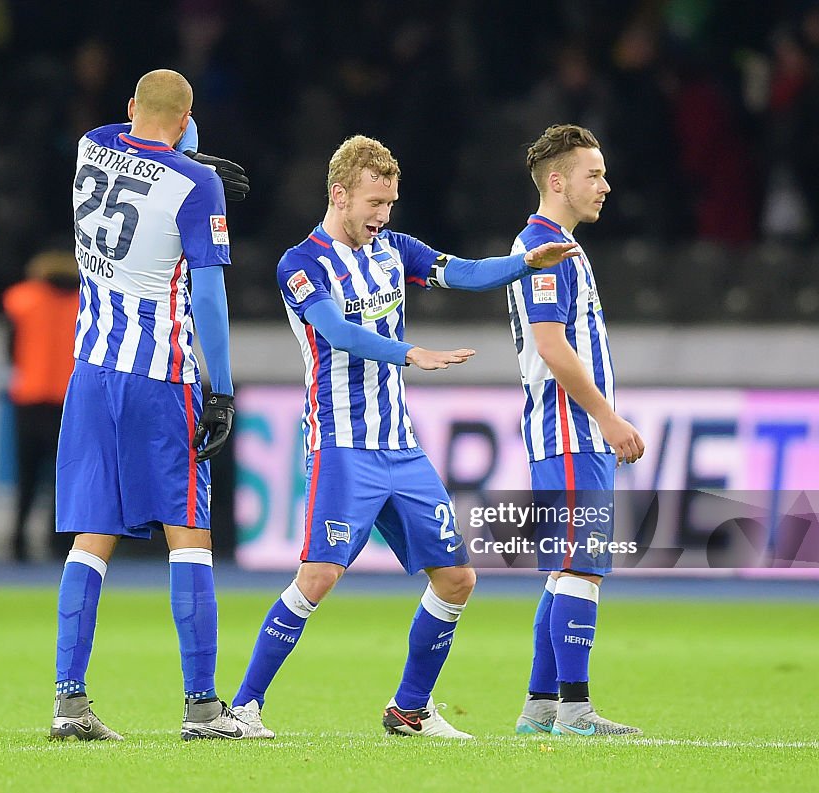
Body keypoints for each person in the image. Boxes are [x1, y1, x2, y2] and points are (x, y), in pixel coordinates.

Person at [229, 135, 578, 739]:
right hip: (344, 446)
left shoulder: (395, 249)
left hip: (403, 449)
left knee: (457, 579)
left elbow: (463, 273)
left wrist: (523, 264)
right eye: (374, 203)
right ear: (339, 195)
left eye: (389, 203)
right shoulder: (301, 265)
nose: (383, 216)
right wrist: (410, 352)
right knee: (318, 578)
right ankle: (243, 709)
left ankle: (410, 709)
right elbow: (337, 332)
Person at [48, 68, 261, 743]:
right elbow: (209, 299)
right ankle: (202, 706)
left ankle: (69, 702)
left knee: (91, 536)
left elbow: (131, 136)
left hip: (90, 371)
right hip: (159, 374)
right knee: (188, 531)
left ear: (133, 106)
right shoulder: (196, 186)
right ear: (189, 116)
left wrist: (177, 145)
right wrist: (219, 388)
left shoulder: (89, 148)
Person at [507, 124, 645, 737]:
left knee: (566, 569)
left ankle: (542, 708)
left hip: (569, 434)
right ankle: (576, 711)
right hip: (571, 432)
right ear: (557, 182)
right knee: (581, 567)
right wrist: (608, 418)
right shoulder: (545, 247)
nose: (606, 186)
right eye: (594, 175)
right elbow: (552, 347)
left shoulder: (558, 245)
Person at [2, 249, 79, 563]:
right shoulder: (85, 300)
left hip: (30, 397)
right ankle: (59, 542)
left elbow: (9, 349)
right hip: (69, 399)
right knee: (65, 477)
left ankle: (18, 540)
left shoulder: (22, 299)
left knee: (28, 476)